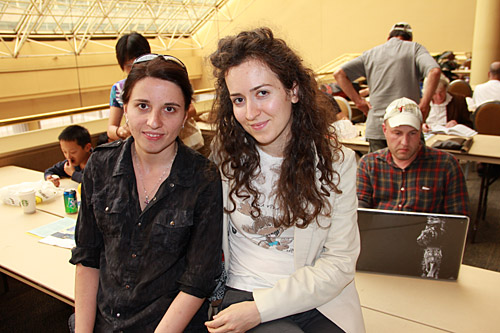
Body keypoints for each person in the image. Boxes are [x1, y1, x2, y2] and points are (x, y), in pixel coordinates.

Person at [206, 27, 364, 333]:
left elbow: (339, 262)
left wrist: (264, 309)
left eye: (262, 93)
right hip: (243, 292)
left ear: (293, 90)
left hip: (317, 296)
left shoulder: (337, 162)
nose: (251, 113)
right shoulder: (226, 155)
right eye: (238, 99)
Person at [70, 55, 223, 332]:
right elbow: (87, 258)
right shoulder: (100, 165)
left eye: (169, 109)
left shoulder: (204, 178)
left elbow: (198, 280)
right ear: (125, 107)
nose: (154, 122)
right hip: (105, 321)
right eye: (143, 106)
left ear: (186, 112)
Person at [334, 22, 441, 152]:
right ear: (410, 39)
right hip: (407, 127)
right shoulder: (414, 49)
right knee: (414, 171)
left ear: (388, 38)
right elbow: (434, 71)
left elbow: (339, 74)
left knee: (379, 170)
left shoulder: (371, 53)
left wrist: (360, 103)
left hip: (377, 126)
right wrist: (424, 105)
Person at [357, 97, 469, 216]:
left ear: (421, 130)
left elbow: (458, 218)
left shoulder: (446, 165)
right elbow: (360, 210)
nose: (405, 142)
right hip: (378, 231)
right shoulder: (369, 164)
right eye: (397, 133)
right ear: (384, 130)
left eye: (412, 133)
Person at [107, 32, 151, 141]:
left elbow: (190, 109)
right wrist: (122, 131)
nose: (135, 69)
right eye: (129, 65)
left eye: (139, 62)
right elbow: (111, 129)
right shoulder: (118, 89)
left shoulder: (163, 81)